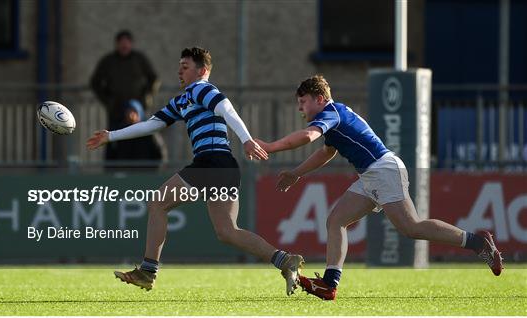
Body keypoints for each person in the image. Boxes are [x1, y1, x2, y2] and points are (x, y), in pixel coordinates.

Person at [255, 75, 503, 301]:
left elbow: (308, 137)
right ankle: (329, 285)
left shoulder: (331, 113)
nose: (300, 108)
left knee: (411, 227)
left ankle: (479, 243)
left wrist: (270, 146)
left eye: (303, 102)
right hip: (371, 175)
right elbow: (325, 153)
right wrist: (297, 174)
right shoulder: (332, 116)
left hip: (383, 170)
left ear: (319, 99)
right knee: (336, 221)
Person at [86, 47, 304, 295]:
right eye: (179, 66)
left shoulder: (201, 88)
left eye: (185, 66)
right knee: (227, 231)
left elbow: (227, 109)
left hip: (211, 163)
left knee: (158, 204)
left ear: (202, 71)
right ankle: (284, 260)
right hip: (224, 167)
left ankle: (148, 271)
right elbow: (152, 125)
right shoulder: (183, 100)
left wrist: (246, 139)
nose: (179, 70)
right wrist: (111, 135)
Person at [90, 30, 161, 165]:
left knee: (141, 140)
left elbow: (154, 79)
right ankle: (113, 172)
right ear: (117, 44)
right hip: (116, 111)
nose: (124, 46)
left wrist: (145, 100)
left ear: (131, 44)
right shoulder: (108, 61)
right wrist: (108, 101)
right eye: (121, 43)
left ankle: (143, 170)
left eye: (126, 43)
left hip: (137, 111)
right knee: (113, 140)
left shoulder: (139, 59)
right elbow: (95, 82)